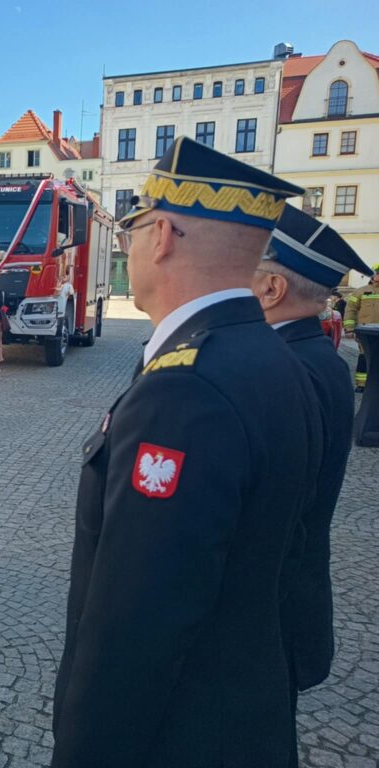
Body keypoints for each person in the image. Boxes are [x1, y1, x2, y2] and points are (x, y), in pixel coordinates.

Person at [51, 137, 323, 768]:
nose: (127, 243)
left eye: (133, 227)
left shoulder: (184, 391)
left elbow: (135, 627)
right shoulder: (277, 359)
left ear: (165, 235)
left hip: (178, 736)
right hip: (242, 714)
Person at [251, 205, 374, 767]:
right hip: (292, 598)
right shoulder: (317, 357)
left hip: (266, 611)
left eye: (243, 273)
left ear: (273, 287)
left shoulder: (281, 370)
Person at [343, 267, 379, 392]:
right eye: (377, 273)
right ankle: (362, 384)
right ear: (373, 276)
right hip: (366, 332)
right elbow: (350, 310)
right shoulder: (360, 292)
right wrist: (349, 328)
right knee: (364, 356)